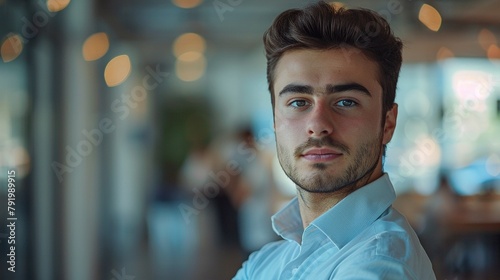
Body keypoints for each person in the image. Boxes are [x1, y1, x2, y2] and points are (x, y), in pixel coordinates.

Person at [233, 1, 436, 279]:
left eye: (345, 101)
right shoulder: (267, 261)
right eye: (298, 102)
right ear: (275, 122)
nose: (317, 125)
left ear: (387, 122)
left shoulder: (378, 264)